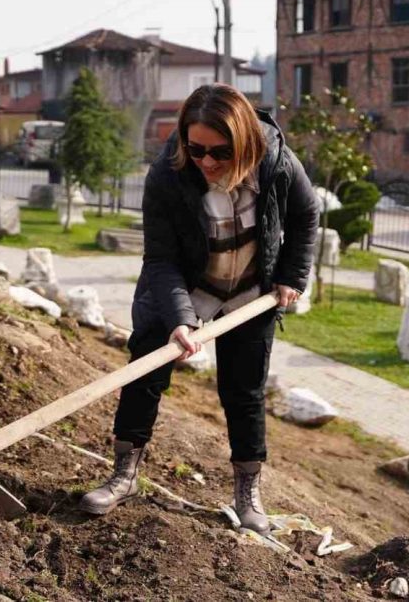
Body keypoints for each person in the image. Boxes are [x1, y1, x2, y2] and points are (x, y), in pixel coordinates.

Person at [79, 84, 320, 533]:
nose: (207, 162)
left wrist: (292, 275)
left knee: (243, 391)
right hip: (186, 287)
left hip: (250, 292)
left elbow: (306, 215)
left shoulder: (276, 162)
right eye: (197, 150)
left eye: (221, 152)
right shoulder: (168, 175)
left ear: (245, 143)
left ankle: (247, 493)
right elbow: (161, 259)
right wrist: (179, 318)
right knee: (145, 375)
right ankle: (124, 475)